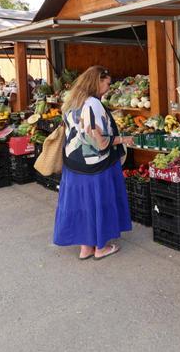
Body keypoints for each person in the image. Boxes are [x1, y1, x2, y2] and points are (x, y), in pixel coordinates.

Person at [53, 65, 134, 260]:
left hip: (73, 163)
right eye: (107, 83)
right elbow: (99, 140)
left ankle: (85, 248)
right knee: (100, 202)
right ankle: (100, 247)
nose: (109, 87)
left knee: (82, 204)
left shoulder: (71, 100)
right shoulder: (93, 104)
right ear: (97, 81)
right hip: (95, 164)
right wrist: (124, 139)